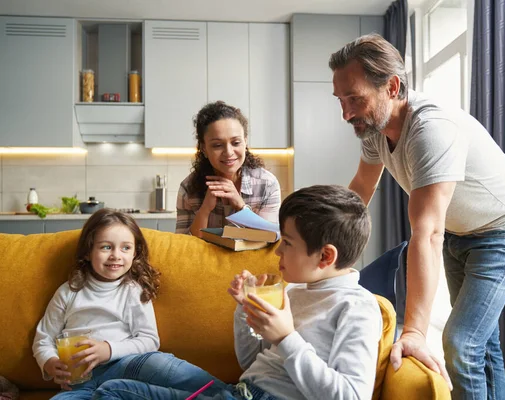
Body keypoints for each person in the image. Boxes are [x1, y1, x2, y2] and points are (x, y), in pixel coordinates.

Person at [329, 34, 505, 400]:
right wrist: (324, 246)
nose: (347, 113)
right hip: (460, 233)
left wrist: (413, 332)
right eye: (341, 101)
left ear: (391, 86)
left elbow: (425, 232)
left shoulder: (430, 129)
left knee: (460, 343)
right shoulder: (374, 129)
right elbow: (360, 188)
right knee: (482, 346)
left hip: (504, 230)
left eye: (355, 98)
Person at [91, 185, 383, 400]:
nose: (278, 249)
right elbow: (252, 362)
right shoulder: (294, 290)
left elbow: (351, 396)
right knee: (137, 371)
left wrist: (286, 338)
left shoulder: (356, 307)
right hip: (240, 391)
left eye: (288, 243)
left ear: (325, 257)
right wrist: (244, 310)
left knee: (114, 393)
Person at [32, 209, 161, 399]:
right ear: (87, 252)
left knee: (166, 366)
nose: (116, 255)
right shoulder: (68, 292)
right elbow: (43, 340)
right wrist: (50, 362)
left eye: (125, 248)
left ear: (135, 253)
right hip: (79, 383)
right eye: (106, 247)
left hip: (126, 370)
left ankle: (217, 393)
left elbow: (150, 340)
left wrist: (108, 350)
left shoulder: (133, 291)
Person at [176, 101, 281, 237]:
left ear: (245, 142)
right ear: (204, 148)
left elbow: (271, 239)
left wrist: (241, 207)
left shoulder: (266, 184)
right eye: (217, 145)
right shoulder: (189, 188)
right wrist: (205, 210)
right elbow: (184, 247)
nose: (229, 152)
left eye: (236, 143)